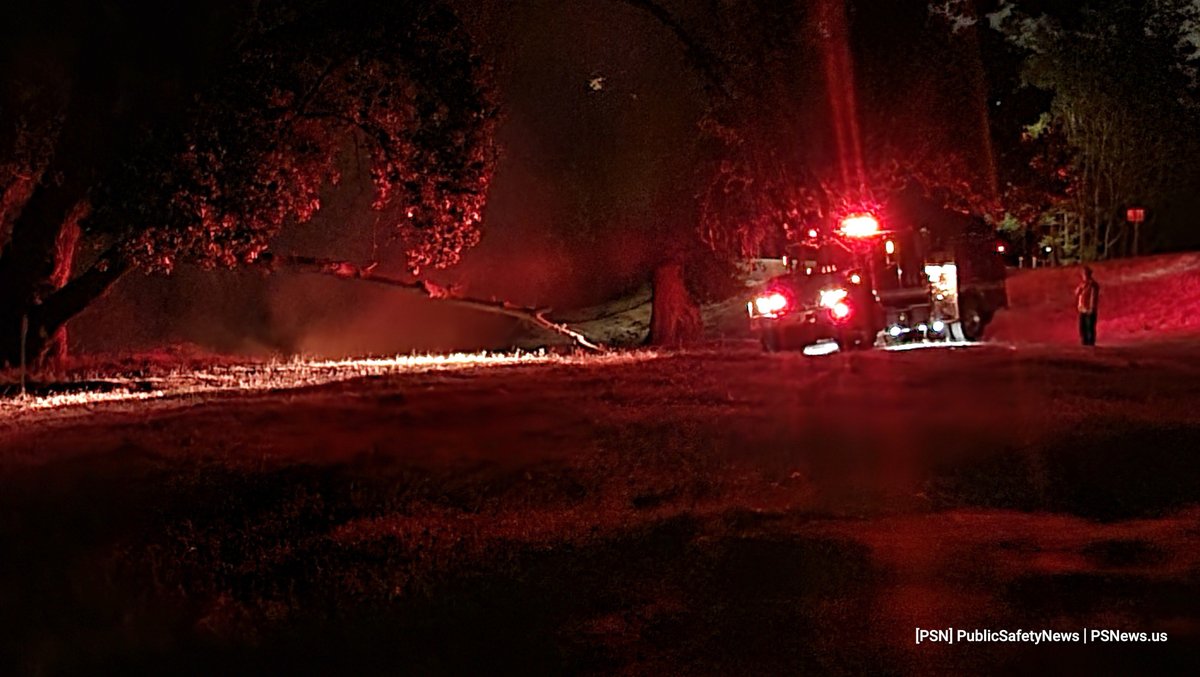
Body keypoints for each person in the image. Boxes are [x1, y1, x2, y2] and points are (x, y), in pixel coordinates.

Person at [1075, 266, 1100, 346]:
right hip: (1082, 309)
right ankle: (1084, 343)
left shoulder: (1093, 285)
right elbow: (1077, 293)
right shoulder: (1082, 285)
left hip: (1089, 310)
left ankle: (1090, 345)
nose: (1083, 276)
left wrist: (1091, 308)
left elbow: (1093, 297)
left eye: (1085, 274)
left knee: (1089, 329)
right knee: (1082, 328)